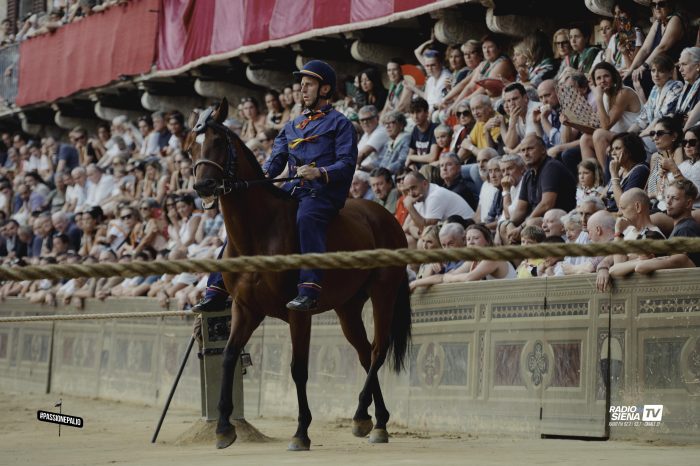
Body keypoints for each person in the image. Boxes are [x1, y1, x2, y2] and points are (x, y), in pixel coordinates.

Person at [262, 60, 358, 311]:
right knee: (252, 215)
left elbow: (347, 164)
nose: (302, 90)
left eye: (308, 85)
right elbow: (275, 163)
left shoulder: (340, 123)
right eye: (301, 85)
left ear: (324, 90)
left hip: (322, 194)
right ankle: (217, 286)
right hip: (292, 191)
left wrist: (318, 172)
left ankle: (309, 290)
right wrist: (260, 176)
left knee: (306, 217)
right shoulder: (290, 126)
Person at [509, 134, 577, 241]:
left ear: (543, 150)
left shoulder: (551, 167)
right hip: (541, 220)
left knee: (532, 224)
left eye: (530, 149)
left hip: (560, 219)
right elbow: (520, 209)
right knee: (505, 227)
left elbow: (547, 204)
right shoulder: (528, 174)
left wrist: (522, 226)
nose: (526, 154)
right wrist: (510, 224)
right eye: (522, 150)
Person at [628, 179, 700, 273]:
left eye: (675, 198)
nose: (668, 202)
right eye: (667, 197)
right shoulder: (682, 227)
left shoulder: (685, 229)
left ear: (688, 203)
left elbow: (687, 269)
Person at [401, 170, 474, 248]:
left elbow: (426, 228)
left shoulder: (435, 195)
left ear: (425, 184)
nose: (411, 193)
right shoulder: (419, 195)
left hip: (465, 231)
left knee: (422, 243)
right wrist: (416, 231)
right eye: (408, 190)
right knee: (407, 239)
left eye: (413, 188)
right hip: (448, 230)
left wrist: (410, 207)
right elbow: (406, 227)